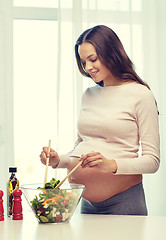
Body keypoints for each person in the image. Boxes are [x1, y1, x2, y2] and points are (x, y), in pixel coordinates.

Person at [40, 25, 160, 215]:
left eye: (92, 59)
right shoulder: (89, 94)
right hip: (86, 204)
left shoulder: (140, 94)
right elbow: (83, 148)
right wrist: (58, 160)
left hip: (123, 203)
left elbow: (152, 161)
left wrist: (111, 165)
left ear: (112, 53)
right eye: (83, 62)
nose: (88, 68)